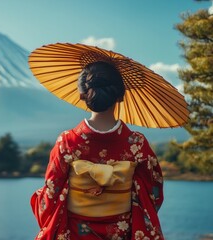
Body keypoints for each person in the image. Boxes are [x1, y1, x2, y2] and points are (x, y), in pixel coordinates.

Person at [30, 61, 164, 240]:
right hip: (121, 233)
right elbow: (152, 195)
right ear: (121, 96)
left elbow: (51, 195)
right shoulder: (138, 144)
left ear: (81, 95)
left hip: (75, 233)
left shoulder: (67, 142)